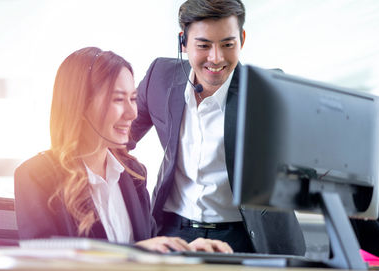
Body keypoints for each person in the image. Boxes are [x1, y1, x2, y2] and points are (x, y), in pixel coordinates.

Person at [14, 47, 232, 254]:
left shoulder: (133, 173)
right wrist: (133, 252)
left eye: (133, 99)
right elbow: (43, 259)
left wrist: (187, 250)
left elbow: (150, 246)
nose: (132, 113)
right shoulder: (35, 176)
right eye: (118, 99)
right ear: (80, 103)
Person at [130, 0, 306, 254]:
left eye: (227, 44)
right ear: (183, 42)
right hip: (172, 230)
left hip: (244, 234)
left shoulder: (268, 91)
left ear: (242, 39)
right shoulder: (160, 78)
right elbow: (117, 136)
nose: (216, 58)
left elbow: (306, 159)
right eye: (203, 45)